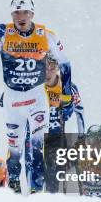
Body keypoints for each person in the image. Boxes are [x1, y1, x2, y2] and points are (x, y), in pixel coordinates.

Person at [0, 0, 73, 193]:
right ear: (12, 15)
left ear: (32, 14)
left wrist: (67, 96)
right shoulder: (4, 34)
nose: (21, 16)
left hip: (36, 97)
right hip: (13, 99)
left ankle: (36, 189)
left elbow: (65, 63)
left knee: (37, 148)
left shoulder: (46, 35)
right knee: (16, 150)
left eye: (25, 12)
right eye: (17, 12)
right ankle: (15, 188)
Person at [38, 52, 85, 193]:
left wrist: (81, 137)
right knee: (37, 173)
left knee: (54, 167)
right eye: (44, 67)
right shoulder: (35, 86)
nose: (48, 72)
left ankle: (54, 200)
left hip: (56, 138)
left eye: (52, 67)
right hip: (37, 137)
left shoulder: (67, 87)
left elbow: (80, 111)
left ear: (58, 68)